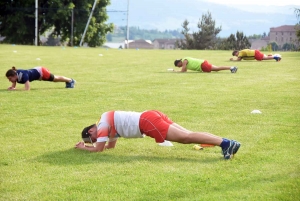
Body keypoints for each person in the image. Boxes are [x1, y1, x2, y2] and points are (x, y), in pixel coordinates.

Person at [75, 110, 241, 160]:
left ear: (91, 131)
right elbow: (110, 146)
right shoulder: (106, 122)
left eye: (93, 139)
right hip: (150, 116)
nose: (97, 140)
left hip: (147, 122)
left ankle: (226, 144)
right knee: (188, 135)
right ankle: (226, 143)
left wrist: (84, 148)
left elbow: (99, 150)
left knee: (186, 138)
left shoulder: (102, 125)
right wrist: (93, 145)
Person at [5, 66, 75, 90]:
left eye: (10, 79)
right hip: (38, 72)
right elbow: (13, 85)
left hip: (41, 72)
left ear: (14, 76)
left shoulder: (24, 75)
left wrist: (15, 90)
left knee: (55, 79)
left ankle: (70, 80)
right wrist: (12, 88)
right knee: (55, 78)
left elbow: (27, 89)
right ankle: (69, 81)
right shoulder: (15, 75)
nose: (10, 80)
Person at [173, 57, 238, 73]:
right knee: (217, 69)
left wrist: (176, 71)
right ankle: (231, 68)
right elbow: (184, 71)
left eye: (178, 66)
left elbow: (183, 71)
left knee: (217, 69)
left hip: (202, 65)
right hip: (203, 64)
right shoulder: (185, 61)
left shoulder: (184, 60)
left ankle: (232, 67)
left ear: (179, 63)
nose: (179, 67)